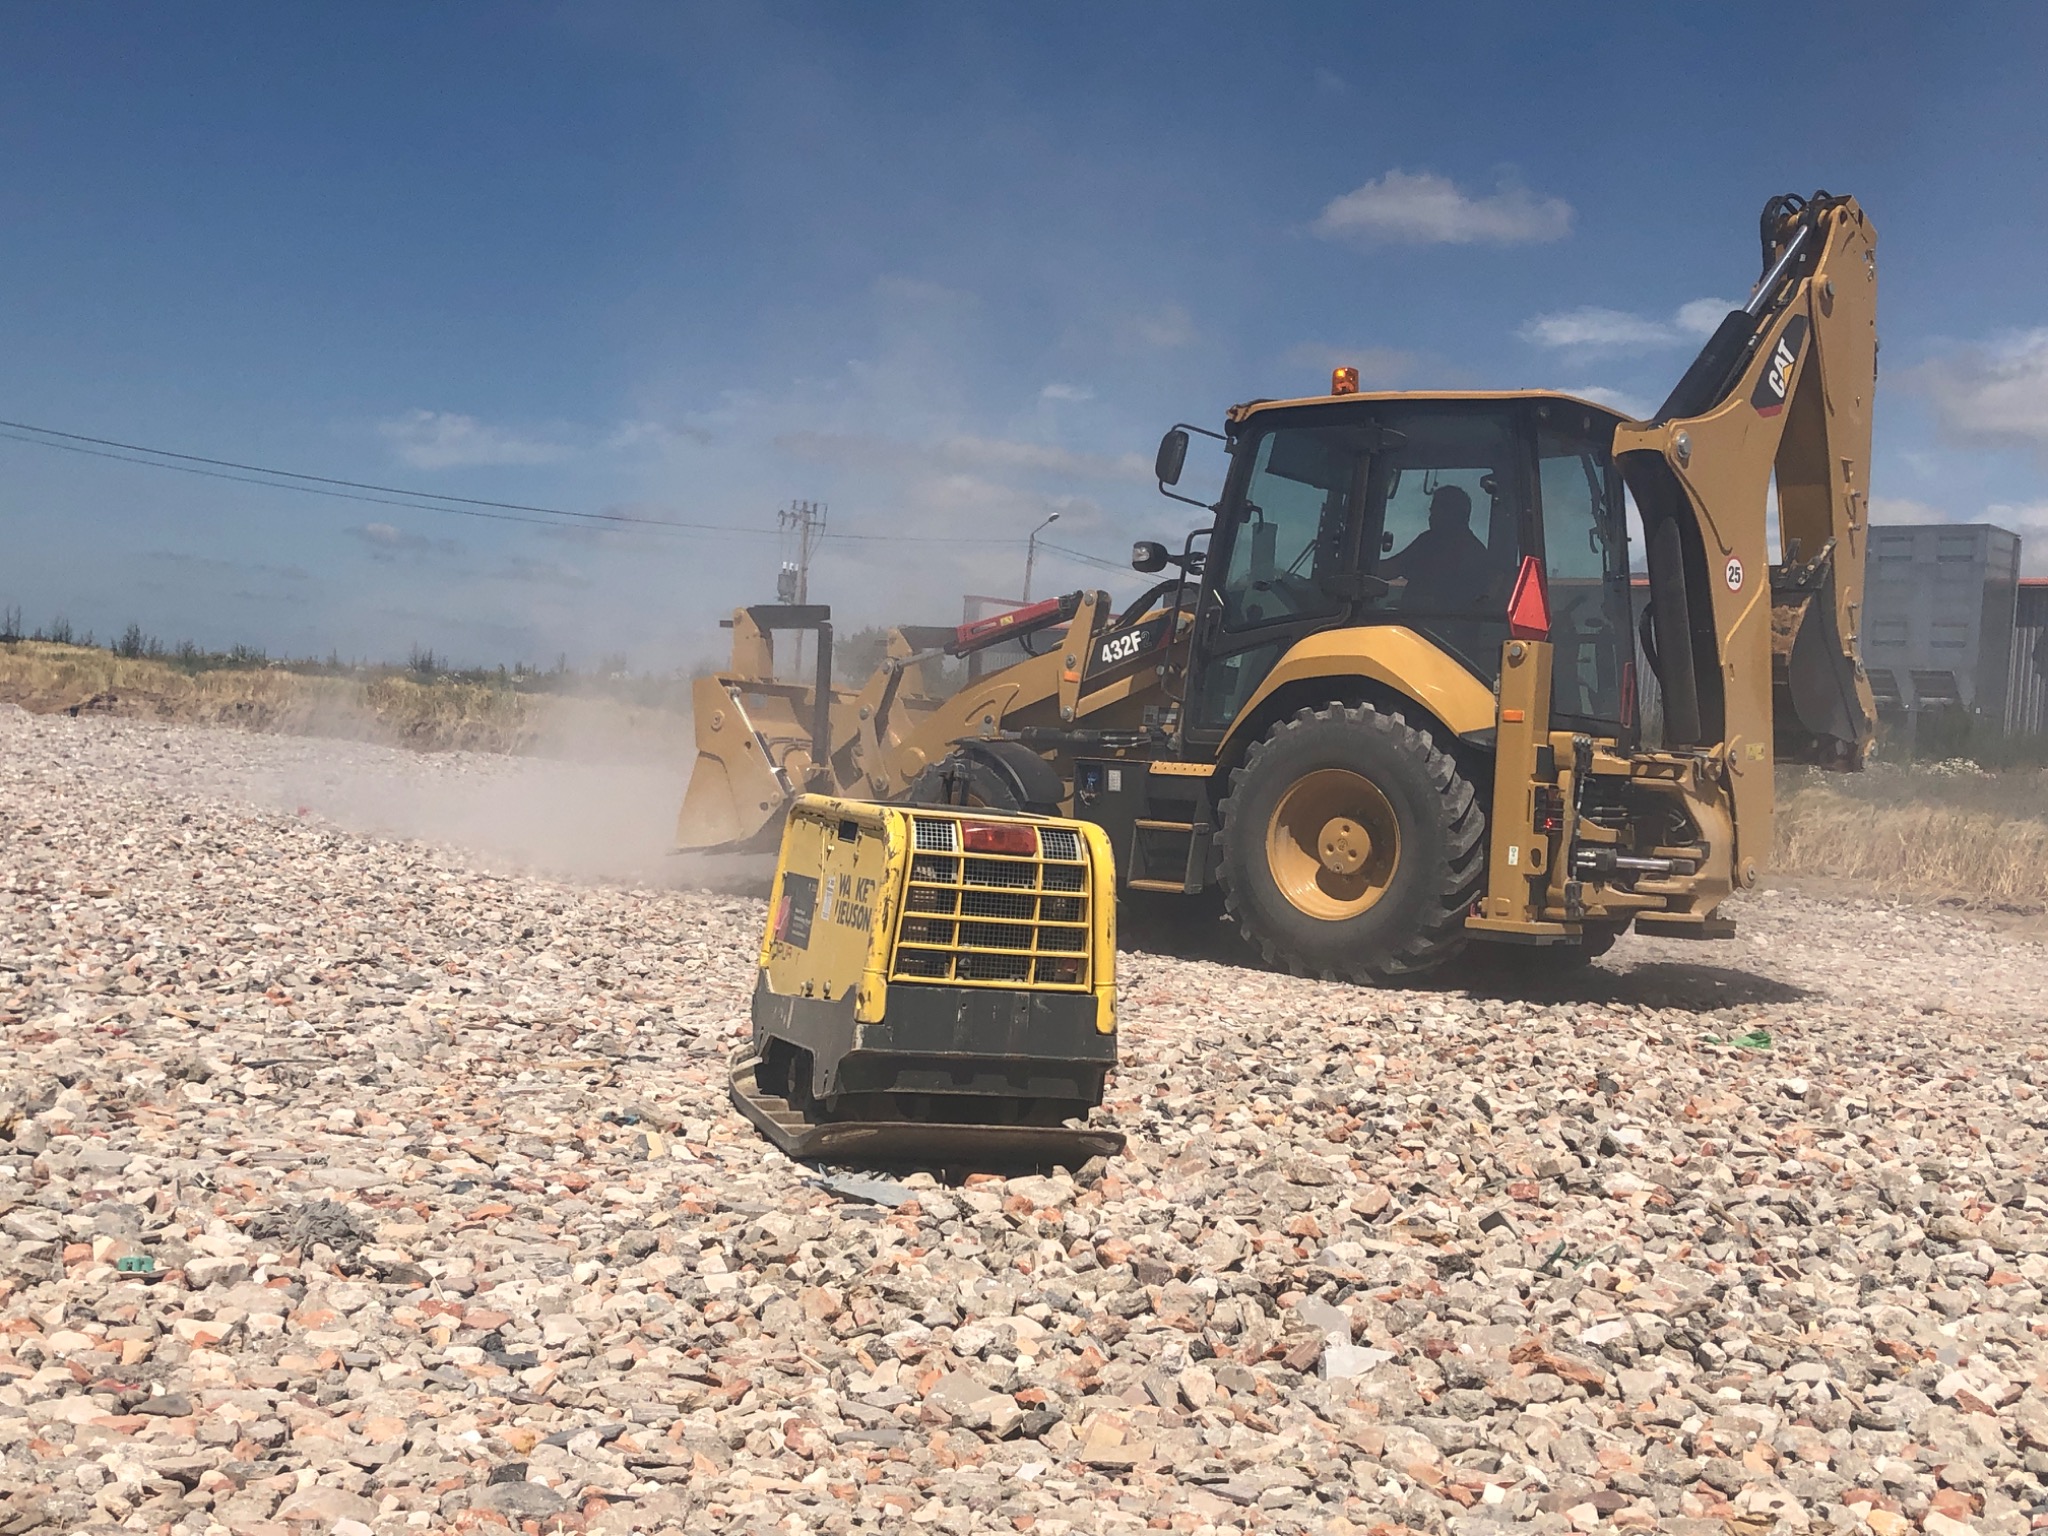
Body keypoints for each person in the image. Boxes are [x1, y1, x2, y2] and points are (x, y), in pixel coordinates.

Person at [1380, 484, 1490, 612]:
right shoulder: (1429, 541)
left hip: (1438, 624)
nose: (1431, 517)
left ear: (1455, 514)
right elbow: (1393, 567)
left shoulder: (1469, 553)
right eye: (1431, 511)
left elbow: (1393, 568)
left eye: (1436, 511)